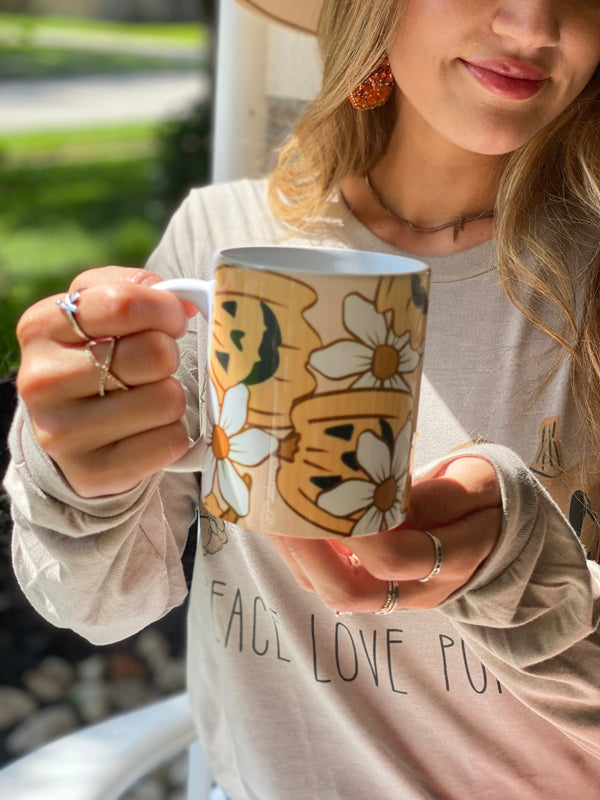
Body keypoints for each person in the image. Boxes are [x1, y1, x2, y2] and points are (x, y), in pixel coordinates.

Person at [5, 0, 600, 797]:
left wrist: (521, 572)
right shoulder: (224, 236)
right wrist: (77, 468)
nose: (531, 23)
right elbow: (102, 604)